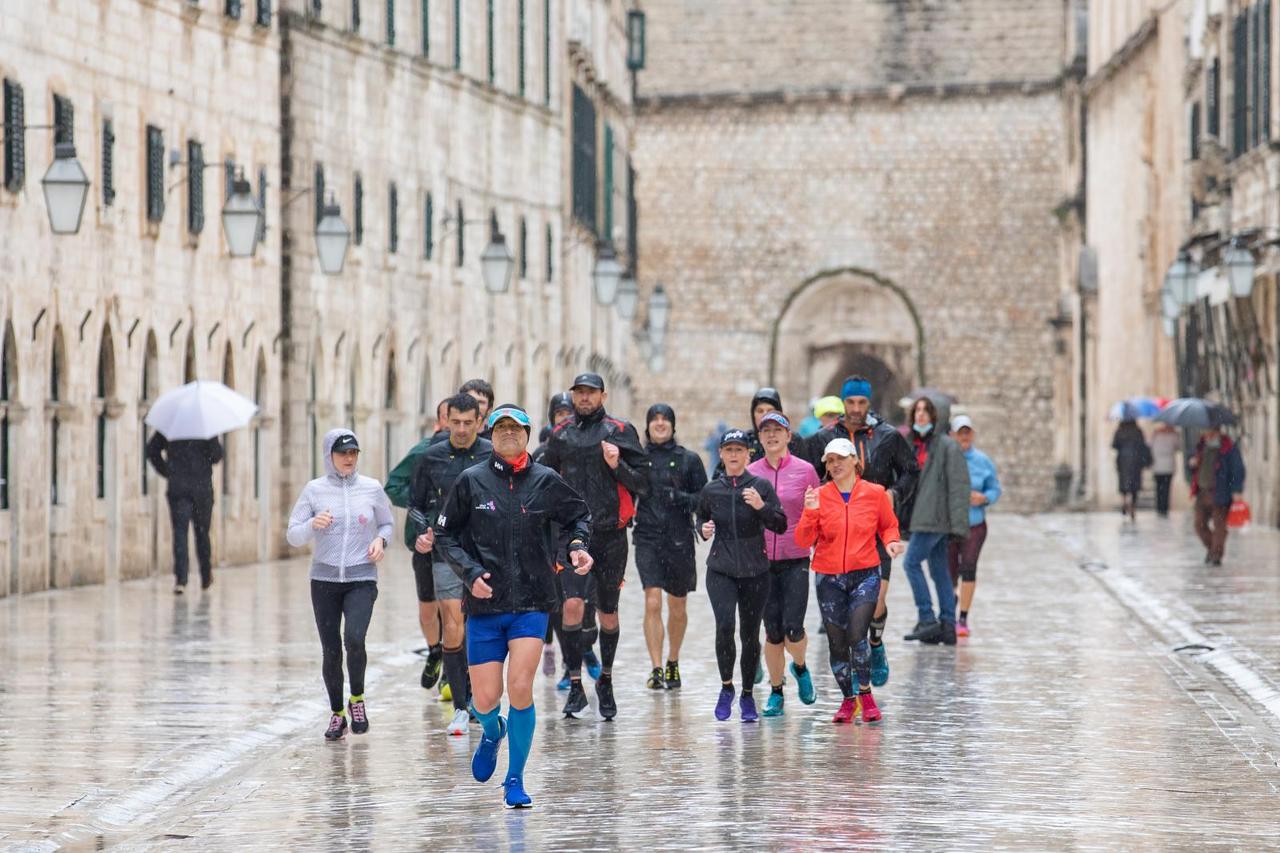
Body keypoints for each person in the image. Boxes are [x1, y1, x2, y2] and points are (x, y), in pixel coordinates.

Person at [435, 404, 593, 809]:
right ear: (491, 434)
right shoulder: (471, 481)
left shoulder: (546, 480)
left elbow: (579, 516)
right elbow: (445, 534)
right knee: (485, 701)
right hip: (485, 607)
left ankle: (515, 779)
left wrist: (577, 547)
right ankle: (492, 732)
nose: (509, 435)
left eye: (516, 429)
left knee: (520, 687)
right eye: (501, 429)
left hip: (532, 602)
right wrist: (470, 573)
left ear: (526, 435)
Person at [539, 372, 649, 720]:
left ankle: (606, 679)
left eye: (590, 393)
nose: (584, 398)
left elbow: (644, 482)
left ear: (603, 395)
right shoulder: (560, 436)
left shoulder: (620, 430)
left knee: (607, 611)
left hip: (610, 532)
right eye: (579, 393)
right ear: (572, 396)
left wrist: (618, 466)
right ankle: (574, 684)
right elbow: (545, 482)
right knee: (571, 605)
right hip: (572, 533)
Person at [803, 376, 917, 686]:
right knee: (849, 617)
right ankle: (857, 666)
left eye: (861, 403)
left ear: (869, 404)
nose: (855, 409)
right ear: (843, 403)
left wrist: (895, 494)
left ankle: (876, 645)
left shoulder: (887, 437)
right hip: (839, 531)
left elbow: (910, 471)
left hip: (875, 528)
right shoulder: (822, 438)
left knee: (877, 602)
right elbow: (807, 475)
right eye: (850, 402)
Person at [285, 429, 394, 740]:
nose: (348, 458)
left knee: (355, 639)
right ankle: (337, 713)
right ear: (329, 456)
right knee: (331, 650)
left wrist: (380, 539)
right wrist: (311, 524)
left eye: (353, 453)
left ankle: (357, 699)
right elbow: (293, 534)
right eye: (342, 453)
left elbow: (387, 522)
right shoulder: (314, 490)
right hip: (324, 580)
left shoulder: (371, 488)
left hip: (362, 577)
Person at [795, 438, 904, 724]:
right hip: (828, 577)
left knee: (857, 635)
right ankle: (847, 700)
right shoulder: (819, 495)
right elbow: (803, 540)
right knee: (837, 643)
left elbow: (888, 525)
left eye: (840, 459)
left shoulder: (875, 493)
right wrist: (810, 511)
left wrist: (891, 542)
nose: (835, 465)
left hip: (865, 573)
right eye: (829, 461)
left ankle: (866, 694)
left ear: (855, 460)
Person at [408, 393, 493, 735]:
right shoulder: (431, 458)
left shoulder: (491, 454)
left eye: (467, 423)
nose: (460, 429)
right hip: (446, 549)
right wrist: (424, 530)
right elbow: (414, 504)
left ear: (478, 422)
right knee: (453, 622)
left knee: (482, 624)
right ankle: (461, 704)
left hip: (486, 551)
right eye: (454, 422)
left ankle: (481, 696)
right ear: (446, 421)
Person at [697, 429, 788, 722]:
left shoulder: (760, 486)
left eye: (740, 450)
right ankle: (727, 688)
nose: (734, 455)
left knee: (749, 635)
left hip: (755, 572)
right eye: (729, 450)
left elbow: (781, 524)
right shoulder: (712, 489)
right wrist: (703, 529)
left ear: (749, 455)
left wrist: (761, 507)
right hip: (721, 570)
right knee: (725, 626)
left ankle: (748, 694)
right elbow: (700, 518)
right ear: (721, 455)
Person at [746, 412, 820, 717]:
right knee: (772, 631)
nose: (772, 435)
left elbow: (817, 512)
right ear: (759, 437)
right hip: (761, 563)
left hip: (796, 558)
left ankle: (800, 666)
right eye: (766, 431)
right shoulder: (750, 472)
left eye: (778, 430)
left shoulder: (805, 471)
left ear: (789, 436)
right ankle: (777, 691)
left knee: (793, 627)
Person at [382, 395, 457, 690]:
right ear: (440, 421)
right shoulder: (423, 453)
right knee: (429, 608)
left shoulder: (477, 454)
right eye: (449, 419)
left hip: (458, 545)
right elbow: (394, 485)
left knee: (453, 609)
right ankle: (435, 650)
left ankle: (453, 670)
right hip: (425, 543)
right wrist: (425, 507)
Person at [633, 403, 708, 690]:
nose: (660, 424)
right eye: (655, 420)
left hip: (679, 538)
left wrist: (679, 497)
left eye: (665, 420)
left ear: (673, 425)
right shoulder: (639, 459)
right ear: (648, 425)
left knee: (677, 605)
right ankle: (655, 667)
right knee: (652, 600)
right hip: (648, 537)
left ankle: (673, 661)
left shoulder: (688, 459)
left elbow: (703, 498)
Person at [900, 396, 970, 646]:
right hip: (922, 514)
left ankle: (927, 618)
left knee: (910, 563)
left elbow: (959, 486)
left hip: (934, 517)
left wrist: (959, 524)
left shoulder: (946, 446)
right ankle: (948, 625)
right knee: (940, 570)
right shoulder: (913, 444)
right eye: (917, 410)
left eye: (926, 411)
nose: (920, 415)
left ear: (934, 415)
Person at [146, 432, 224, 594]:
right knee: (202, 533)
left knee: (180, 533)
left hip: (179, 487)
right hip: (201, 489)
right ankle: (205, 575)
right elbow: (217, 456)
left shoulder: (173, 427)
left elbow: (152, 450)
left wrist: (169, 471)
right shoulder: (205, 428)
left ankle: (181, 579)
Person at [946, 415, 1001, 638]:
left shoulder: (982, 461)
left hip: (974, 523)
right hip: (949, 524)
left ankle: (963, 618)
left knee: (968, 567)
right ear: (952, 435)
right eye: (960, 432)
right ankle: (950, 607)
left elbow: (995, 489)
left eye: (967, 432)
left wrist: (983, 497)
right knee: (949, 572)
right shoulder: (946, 459)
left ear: (973, 435)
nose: (964, 436)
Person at [1188, 426, 1246, 566]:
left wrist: (1236, 489)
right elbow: (1193, 470)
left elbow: (1238, 469)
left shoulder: (1228, 448)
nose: (1206, 435)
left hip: (1220, 492)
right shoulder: (1200, 447)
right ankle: (1213, 549)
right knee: (1199, 524)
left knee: (1219, 525)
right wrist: (1191, 464)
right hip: (1202, 491)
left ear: (1216, 432)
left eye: (1209, 432)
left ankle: (1216, 555)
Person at [1112, 417, 1152, 522]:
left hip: (1123, 460)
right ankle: (1133, 506)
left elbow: (1114, 445)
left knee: (1124, 482)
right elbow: (1143, 445)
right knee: (1134, 484)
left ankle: (1125, 500)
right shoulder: (1137, 431)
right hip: (1135, 460)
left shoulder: (1120, 431)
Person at [1150, 423, 1179, 517]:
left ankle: (1159, 508)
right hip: (1168, 466)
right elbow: (1178, 447)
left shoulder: (1156, 435)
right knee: (1166, 488)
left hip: (1157, 466)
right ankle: (1164, 508)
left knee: (1159, 488)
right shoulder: (1173, 435)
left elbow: (1150, 446)